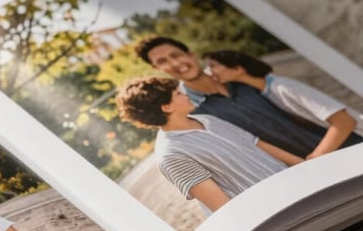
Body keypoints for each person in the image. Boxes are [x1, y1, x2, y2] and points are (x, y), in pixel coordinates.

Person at [134, 36, 363, 157]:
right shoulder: (192, 111)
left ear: (191, 54)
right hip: (305, 172)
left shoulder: (241, 78)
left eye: (176, 55)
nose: (174, 63)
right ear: (158, 69)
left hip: (347, 146)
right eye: (163, 61)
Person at [116, 76, 303, 212]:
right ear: (167, 107)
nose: (185, 94)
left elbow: (255, 143)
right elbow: (222, 207)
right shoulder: (172, 155)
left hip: (295, 189)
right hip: (269, 212)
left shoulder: (207, 119)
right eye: (178, 93)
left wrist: (303, 166)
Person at [203, 48, 363, 159]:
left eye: (213, 66)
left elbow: (344, 121)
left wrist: (316, 157)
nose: (209, 72)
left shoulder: (284, 87)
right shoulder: (263, 94)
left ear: (238, 69)